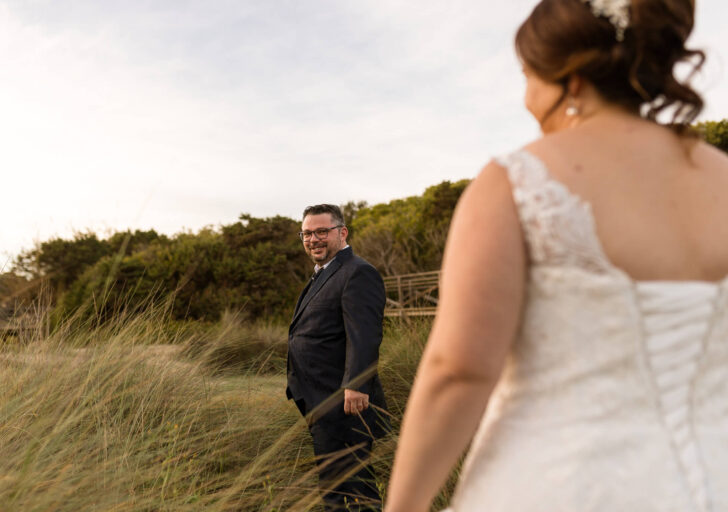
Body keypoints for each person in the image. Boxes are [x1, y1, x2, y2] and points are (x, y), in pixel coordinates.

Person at [385, 0, 728, 511]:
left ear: (571, 81)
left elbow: (459, 369)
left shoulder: (519, 181)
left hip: (562, 486)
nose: (526, 98)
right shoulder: (720, 175)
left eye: (529, 77)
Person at [287, 203, 389, 511]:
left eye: (321, 232)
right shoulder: (323, 273)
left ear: (341, 232)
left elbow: (365, 336)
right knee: (333, 489)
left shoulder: (358, 272)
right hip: (319, 400)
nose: (313, 239)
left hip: (345, 403)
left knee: (356, 491)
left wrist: (356, 385)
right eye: (307, 233)